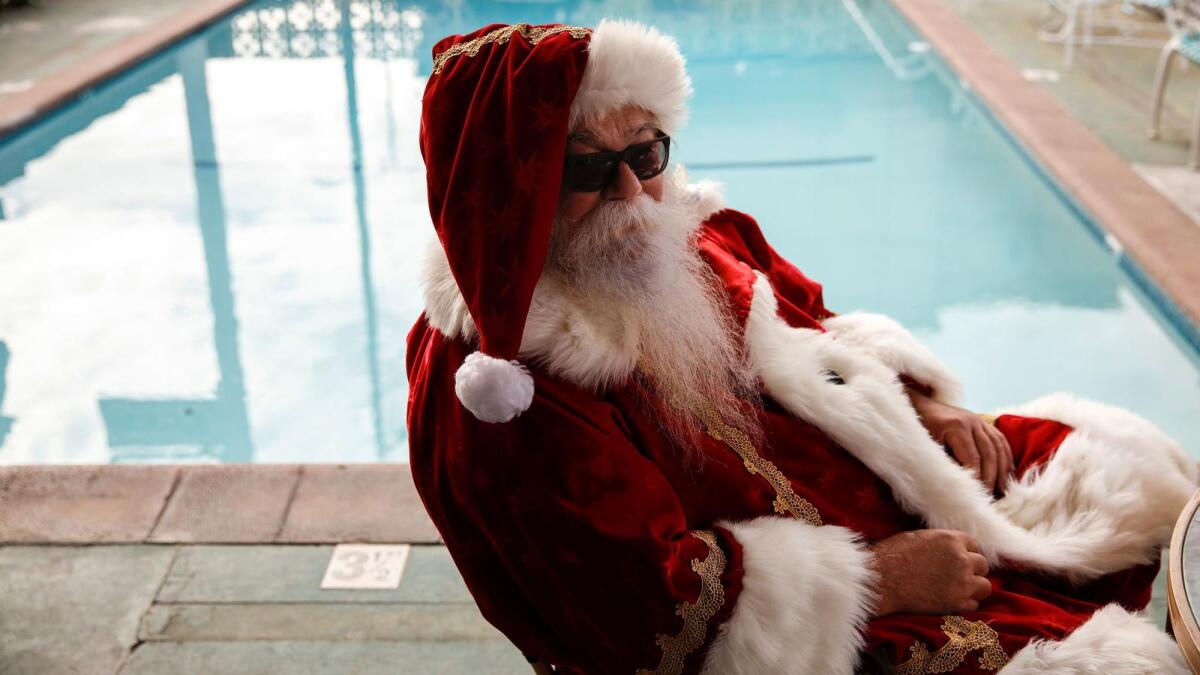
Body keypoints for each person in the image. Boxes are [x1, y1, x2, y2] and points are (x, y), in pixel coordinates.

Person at [406, 19, 1198, 674]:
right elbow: (634, 611)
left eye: (645, 154)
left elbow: (820, 324)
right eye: (586, 167)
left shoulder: (689, 238)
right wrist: (877, 581)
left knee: (1117, 463)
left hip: (880, 479)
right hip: (799, 625)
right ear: (518, 190)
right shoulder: (503, 391)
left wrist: (930, 405)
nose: (631, 194)